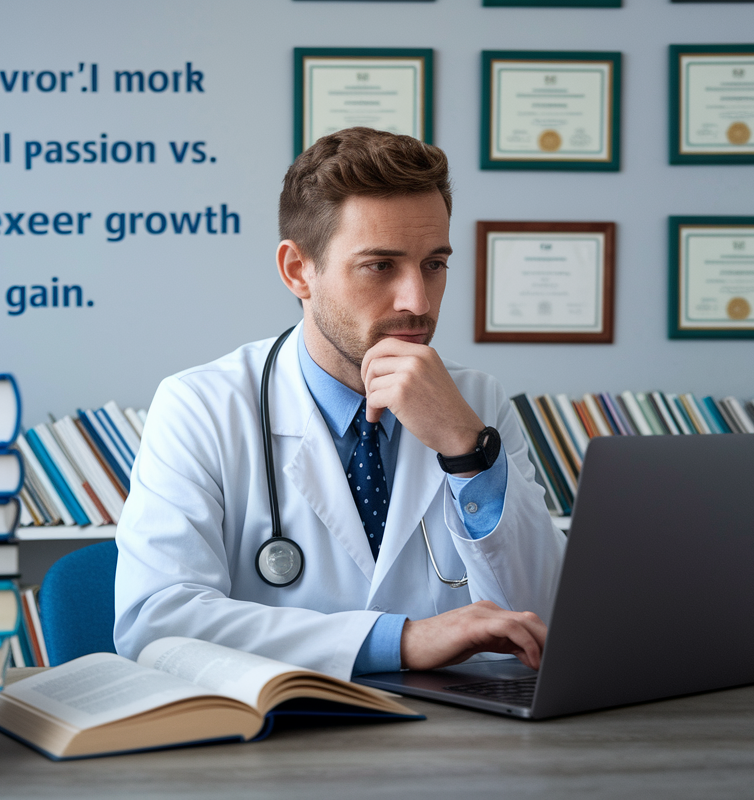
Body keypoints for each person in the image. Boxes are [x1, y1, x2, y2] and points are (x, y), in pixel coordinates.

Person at [114, 127, 566, 680]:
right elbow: (156, 622)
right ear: (297, 271)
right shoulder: (200, 407)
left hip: (462, 737)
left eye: (434, 264)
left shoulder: (477, 405)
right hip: (283, 743)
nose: (418, 302)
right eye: (380, 266)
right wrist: (401, 641)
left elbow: (544, 617)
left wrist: (467, 452)